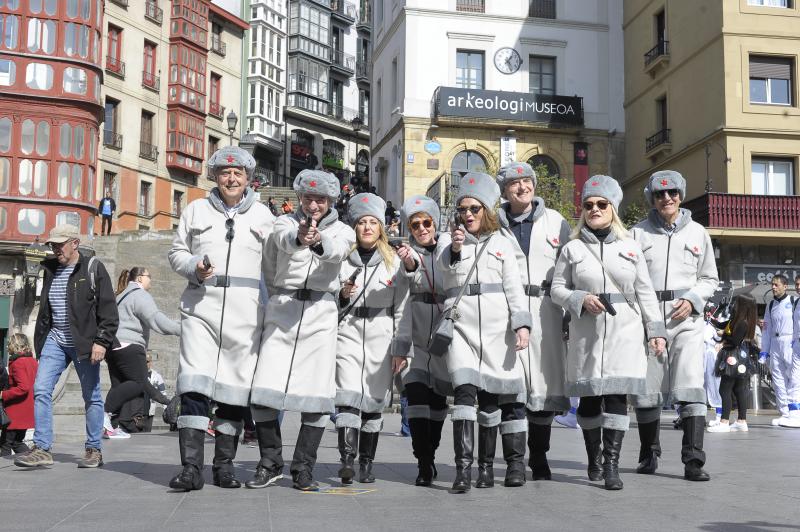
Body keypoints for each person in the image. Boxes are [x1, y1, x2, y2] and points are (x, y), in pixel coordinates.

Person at [167, 145, 275, 491]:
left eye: (238, 174)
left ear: (248, 179)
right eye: (225, 173)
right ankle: (191, 468)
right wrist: (194, 266)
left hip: (246, 311)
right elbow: (176, 252)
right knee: (194, 385)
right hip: (201, 305)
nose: (231, 178)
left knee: (232, 391)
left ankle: (224, 466)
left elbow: (276, 267)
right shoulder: (196, 210)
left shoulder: (264, 216)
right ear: (215, 176)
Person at [550, 175, 666, 491]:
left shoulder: (631, 247)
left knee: (616, 396)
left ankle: (612, 465)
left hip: (624, 331)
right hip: (586, 332)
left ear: (612, 208)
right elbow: (556, 289)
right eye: (589, 205)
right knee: (589, 400)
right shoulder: (571, 249)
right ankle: (594, 458)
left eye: (601, 204)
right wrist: (579, 298)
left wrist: (656, 331)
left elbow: (645, 293)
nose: (595, 209)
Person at [249, 169, 355, 491]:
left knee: (317, 397)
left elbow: (338, 251)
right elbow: (277, 248)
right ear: (300, 198)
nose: (313, 205)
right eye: (308, 198)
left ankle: (303, 467)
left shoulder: (343, 230)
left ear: (330, 201)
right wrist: (299, 238)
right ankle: (271, 462)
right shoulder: (282, 221)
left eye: (320, 199)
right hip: (283, 309)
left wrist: (318, 240)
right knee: (264, 390)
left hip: (320, 314)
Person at [439, 172, 531, 492]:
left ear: (486, 212)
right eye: (462, 209)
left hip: (496, 333)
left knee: (491, 401)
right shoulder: (449, 240)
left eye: (474, 209)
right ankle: (463, 469)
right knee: (464, 394)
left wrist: (521, 323)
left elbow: (514, 289)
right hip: (462, 332)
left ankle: (487, 468)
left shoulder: (503, 243)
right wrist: (453, 249)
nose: (467, 215)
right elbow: (442, 275)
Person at [628, 170, 718, 482]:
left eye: (673, 193)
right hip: (650, 319)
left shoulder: (698, 233)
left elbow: (709, 278)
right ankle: (648, 454)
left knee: (692, 387)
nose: (667, 199)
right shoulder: (637, 234)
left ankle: (693, 460)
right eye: (660, 194)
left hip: (688, 319)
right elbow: (628, 278)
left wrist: (694, 299)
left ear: (680, 195)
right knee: (648, 391)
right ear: (652, 199)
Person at [15, 224, 118, 469]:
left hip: (84, 341)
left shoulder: (93, 268)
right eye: (52, 244)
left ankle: (94, 449)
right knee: (41, 389)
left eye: (60, 244)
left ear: (75, 243)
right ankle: (42, 448)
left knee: (91, 396)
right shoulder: (50, 270)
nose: (55, 249)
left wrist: (102, 341)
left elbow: (109, 310)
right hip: (56, 339)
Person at [496, 162, 571, 482]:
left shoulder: (557, 222)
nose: (522, 187)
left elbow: (572, 267)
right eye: (514, 183)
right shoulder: (492, 224)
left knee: (543, 391)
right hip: (506, 312)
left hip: (546, 310)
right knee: (511, 391)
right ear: (504, 191)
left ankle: (538, 457)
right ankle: (514, 463)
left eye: (527, 181)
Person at [335, 193, 412, 485]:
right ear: (354, 227)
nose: (367, 227)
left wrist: (400, 347)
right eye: (362, 223)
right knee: (347, 396)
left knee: (373, 403)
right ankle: (346, 460)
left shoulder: (393, 263)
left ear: (381, 227)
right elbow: (329, 299)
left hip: (381, 336)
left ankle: (366, 464)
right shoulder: (341, 259)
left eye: (373, 222)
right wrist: (342, 295)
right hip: (349, 332)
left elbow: (402, 308)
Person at [398, 195, 452, 486]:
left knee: (438, 403)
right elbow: (402, 285)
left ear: (436, 223)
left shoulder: (450, 249)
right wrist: (409, 264)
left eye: (426, 222)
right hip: (416, 341)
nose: (421, 228)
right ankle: (423, 461)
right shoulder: (409, 253)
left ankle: (431, 453)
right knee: (417, 399)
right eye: (415, 224)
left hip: (444, 339)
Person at [102, 267, 179, 439]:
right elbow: (155, 319)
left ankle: (111, 427)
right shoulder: (140, 294)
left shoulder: (120, 295)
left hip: (112, 346)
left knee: (119, 385)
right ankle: (103, 412)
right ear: (139, 279)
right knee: (137, 382)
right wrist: (182, 329)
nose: (150, 279)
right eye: (148, 276)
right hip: (130, 344)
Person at [708, 294, 758, 433]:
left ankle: (724, 422)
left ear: (742, 306)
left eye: (736, 303)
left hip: (733, 358)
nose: (733, 305)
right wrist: (712, 318)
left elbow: (734, 341)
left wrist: (722, 339)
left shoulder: (742, 322)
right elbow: (720, 324)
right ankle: (741, 421)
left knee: (725, 389)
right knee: (739, 390)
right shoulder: (740, 320)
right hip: (740, 359)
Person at [759, 275, 796, 427]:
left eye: (776, 285)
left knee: (793, 378)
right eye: (772, 285)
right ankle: (784, 412)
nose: (773, 287)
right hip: (775, 343)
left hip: (790, 342)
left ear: (785, 286)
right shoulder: (770, 305)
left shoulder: (794, 302)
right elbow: (766, 330)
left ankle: (795, 412)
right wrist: (764, 351)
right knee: (778, 379)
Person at [0, 334, 38, 456]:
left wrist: (3, 394)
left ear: (15, 345)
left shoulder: (18, 363)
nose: (7, 346)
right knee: (17, 442)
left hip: (16, 411)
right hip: (27, 409)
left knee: (5, 443)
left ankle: (3, 470)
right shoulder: (32, 361)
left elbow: (23, 387)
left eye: (9, 344)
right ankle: (32, 458)